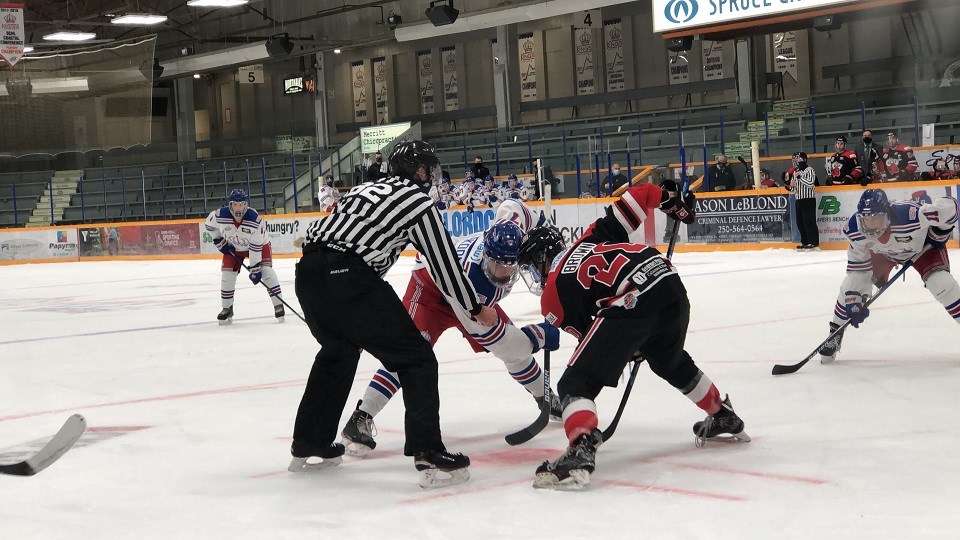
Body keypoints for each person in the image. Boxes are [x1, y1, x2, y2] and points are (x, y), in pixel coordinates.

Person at [293, 140, 497, 489]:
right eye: (429, 169)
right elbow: (444, 264)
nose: (432, 176)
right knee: (417, 358)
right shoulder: (417, 201)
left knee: (337, 353)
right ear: (420, 171)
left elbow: (319, 236)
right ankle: (427, 451)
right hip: (351, 276)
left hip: (308, 275)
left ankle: (311, 441)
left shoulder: (363, 188)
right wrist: (476, 308)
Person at [521, 180, 749, 490]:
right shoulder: (591, 236)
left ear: (540, 260)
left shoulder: (551, 297)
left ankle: (581, 447)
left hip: (633, 299)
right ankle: (721, 413)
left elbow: (596, 342)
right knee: (668, 360)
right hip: (669, 282)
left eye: (532, 266)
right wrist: (669, 199)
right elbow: (640, 196)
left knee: (576, 381)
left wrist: (631, 344)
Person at [340, 210, 561, 457]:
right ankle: (360, 417)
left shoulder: (508, 229)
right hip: (431, 293)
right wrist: (536, 337)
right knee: (408, 355)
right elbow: (499, 342)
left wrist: (544, 228)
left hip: (466, 296)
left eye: (507, 266)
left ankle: (545, 397)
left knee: (516, 355)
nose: (500, 273)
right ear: (486, 255)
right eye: (495, 264)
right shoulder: (476, 281)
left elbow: (517, 208)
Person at [817, 188, 960, 363]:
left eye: (876, 218)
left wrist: (939, 232)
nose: (871, 224)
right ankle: (835, 333)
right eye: (866, 220)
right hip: (884, 255)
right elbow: (858, 271)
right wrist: (854, 302)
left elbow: (952, 207)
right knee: (850, 287)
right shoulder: (854, 229)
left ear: (887, 215)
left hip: (923, 250)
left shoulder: (910, 215)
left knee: (941, 284)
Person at [204, 189, 286, 325]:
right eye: (235, 205)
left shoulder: (255, 220)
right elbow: (209, 225)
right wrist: (218, 241)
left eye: (241, 204)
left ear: (246, 205)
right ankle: (227, 308)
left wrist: (255, 268)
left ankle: (278, 305)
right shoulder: (220, 215)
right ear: (230, 205)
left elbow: (255, 247)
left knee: (267, 272)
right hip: (234, 248)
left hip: (259, 246)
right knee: (227, 275)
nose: (238, 208)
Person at [784, 152, 819, 251]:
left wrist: (800, 177)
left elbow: (810, 183)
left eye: (799, 159)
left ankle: (814, 243)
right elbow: (793, 189)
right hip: (798, 199)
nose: (797, 161)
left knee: (809, 221)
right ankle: (805, 242)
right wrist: (787, 184)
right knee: (800, 222)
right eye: (796, 159)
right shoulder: (796, 171)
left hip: (808, 199)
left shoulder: (810, 170)